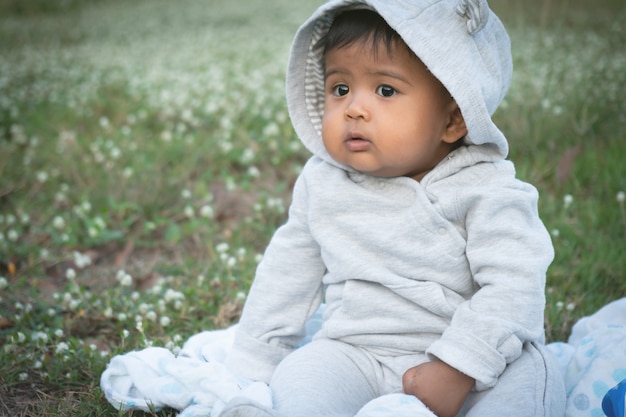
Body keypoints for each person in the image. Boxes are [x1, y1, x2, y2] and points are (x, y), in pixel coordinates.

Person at [221, 1, 566, 416]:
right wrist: (254, 365)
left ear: (453, 120)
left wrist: (458, 367)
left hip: (475, 360)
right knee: (302, 374)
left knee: (530, 379)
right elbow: (287, 273)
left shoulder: (486, 188)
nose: (354, 108)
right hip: (356, 353)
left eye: (386, 90)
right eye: (340, 88)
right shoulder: (324, 182)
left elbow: (516, 287)